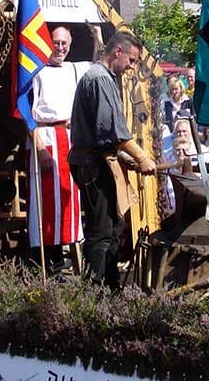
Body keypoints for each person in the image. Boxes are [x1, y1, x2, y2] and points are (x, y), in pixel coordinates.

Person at [69, 31, 156, 288]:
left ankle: (111, 287)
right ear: (117, 51)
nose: (131, 67)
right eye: (131, 60)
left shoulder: (105, 78)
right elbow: (112, 132)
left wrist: (123, 157)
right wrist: (141, 158)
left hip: (98, 160)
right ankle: (95, 293)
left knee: (114, 228)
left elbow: (105, 134)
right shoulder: (98, 79)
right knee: (102, 232)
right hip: (92, 165)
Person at [27, 26, 90, 270]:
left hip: (68, 137)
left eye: (65, 43)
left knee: (68, 198)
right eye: (56, 42)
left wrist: (97, 36)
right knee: (45, 203)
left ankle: (66, 258)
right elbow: (25, 112)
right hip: (44, 137)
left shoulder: (73, 69)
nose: (60, 47)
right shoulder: (36, 71)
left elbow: (101, 64)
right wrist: (39, 146)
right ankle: (47, 262)